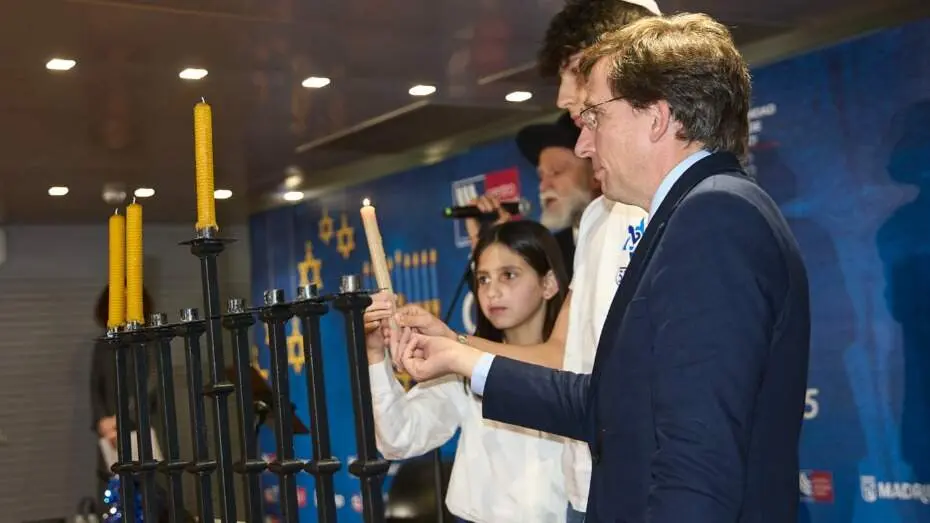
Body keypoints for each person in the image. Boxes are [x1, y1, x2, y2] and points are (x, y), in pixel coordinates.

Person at [393, 13, 811, 523]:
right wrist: (456, 356)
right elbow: (607, 405)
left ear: (656, 117)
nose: (582, 145)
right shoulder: (693, 213)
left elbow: (698, 458)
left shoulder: (714, 216)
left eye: (594, 117)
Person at [403, 1, 661, 521]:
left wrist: (455, 348)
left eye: (577, 81)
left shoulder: (682, 210)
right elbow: (562, 358)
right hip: (590, 491)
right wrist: (449, 342)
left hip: (650, 491)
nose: (566, 101)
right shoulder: (595, 225)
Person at [365, 221, 570, 523]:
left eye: (509, 275)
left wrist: (456, 343)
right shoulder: (461, 365)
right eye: (483, 279)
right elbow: (398, 437)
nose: (492, 292)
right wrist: (374, 353)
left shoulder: (578, 361)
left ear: (549, 283)